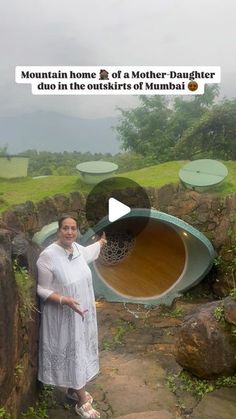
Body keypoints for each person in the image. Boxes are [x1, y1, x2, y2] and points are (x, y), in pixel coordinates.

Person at [36, 214, 107, 419]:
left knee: (80, 349)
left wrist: (101, 242)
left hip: (82, 314)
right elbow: (41, 289)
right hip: (63, 315)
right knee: (73, 351)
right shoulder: (48, 256)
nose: (69, 232)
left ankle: (72, 391)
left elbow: (89, 252)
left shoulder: (76, 249)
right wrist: (64, 300)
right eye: (65, 228)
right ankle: (82, 401)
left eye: (73, 228)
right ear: (58, 230)